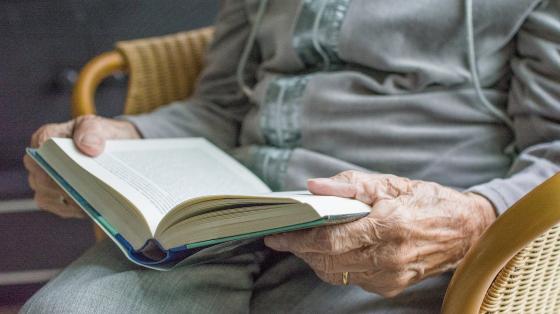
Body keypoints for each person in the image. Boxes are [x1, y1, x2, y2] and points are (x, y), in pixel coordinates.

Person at [22, 0, 560, 313]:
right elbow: (223, 105)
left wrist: (473, 220)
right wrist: (125, 135)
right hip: (229, 216)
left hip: (393, 243)